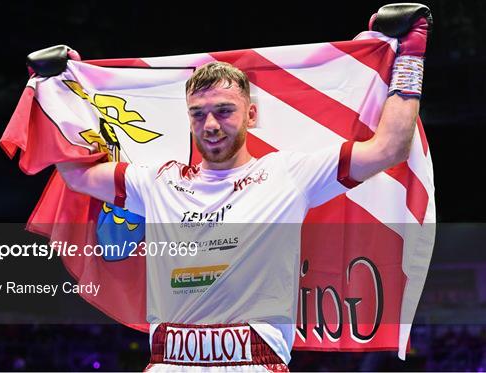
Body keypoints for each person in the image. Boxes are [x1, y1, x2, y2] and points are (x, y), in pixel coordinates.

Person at [29, 4, 432, 371]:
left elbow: (389, 147)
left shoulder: (289, 173)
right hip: (169, 361)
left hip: (255, 363)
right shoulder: (156, 181)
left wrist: (410, 56)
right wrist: (60, 95)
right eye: (199, 114)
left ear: (251, 114)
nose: (210, 125)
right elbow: (77, 175)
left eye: (224, 111)